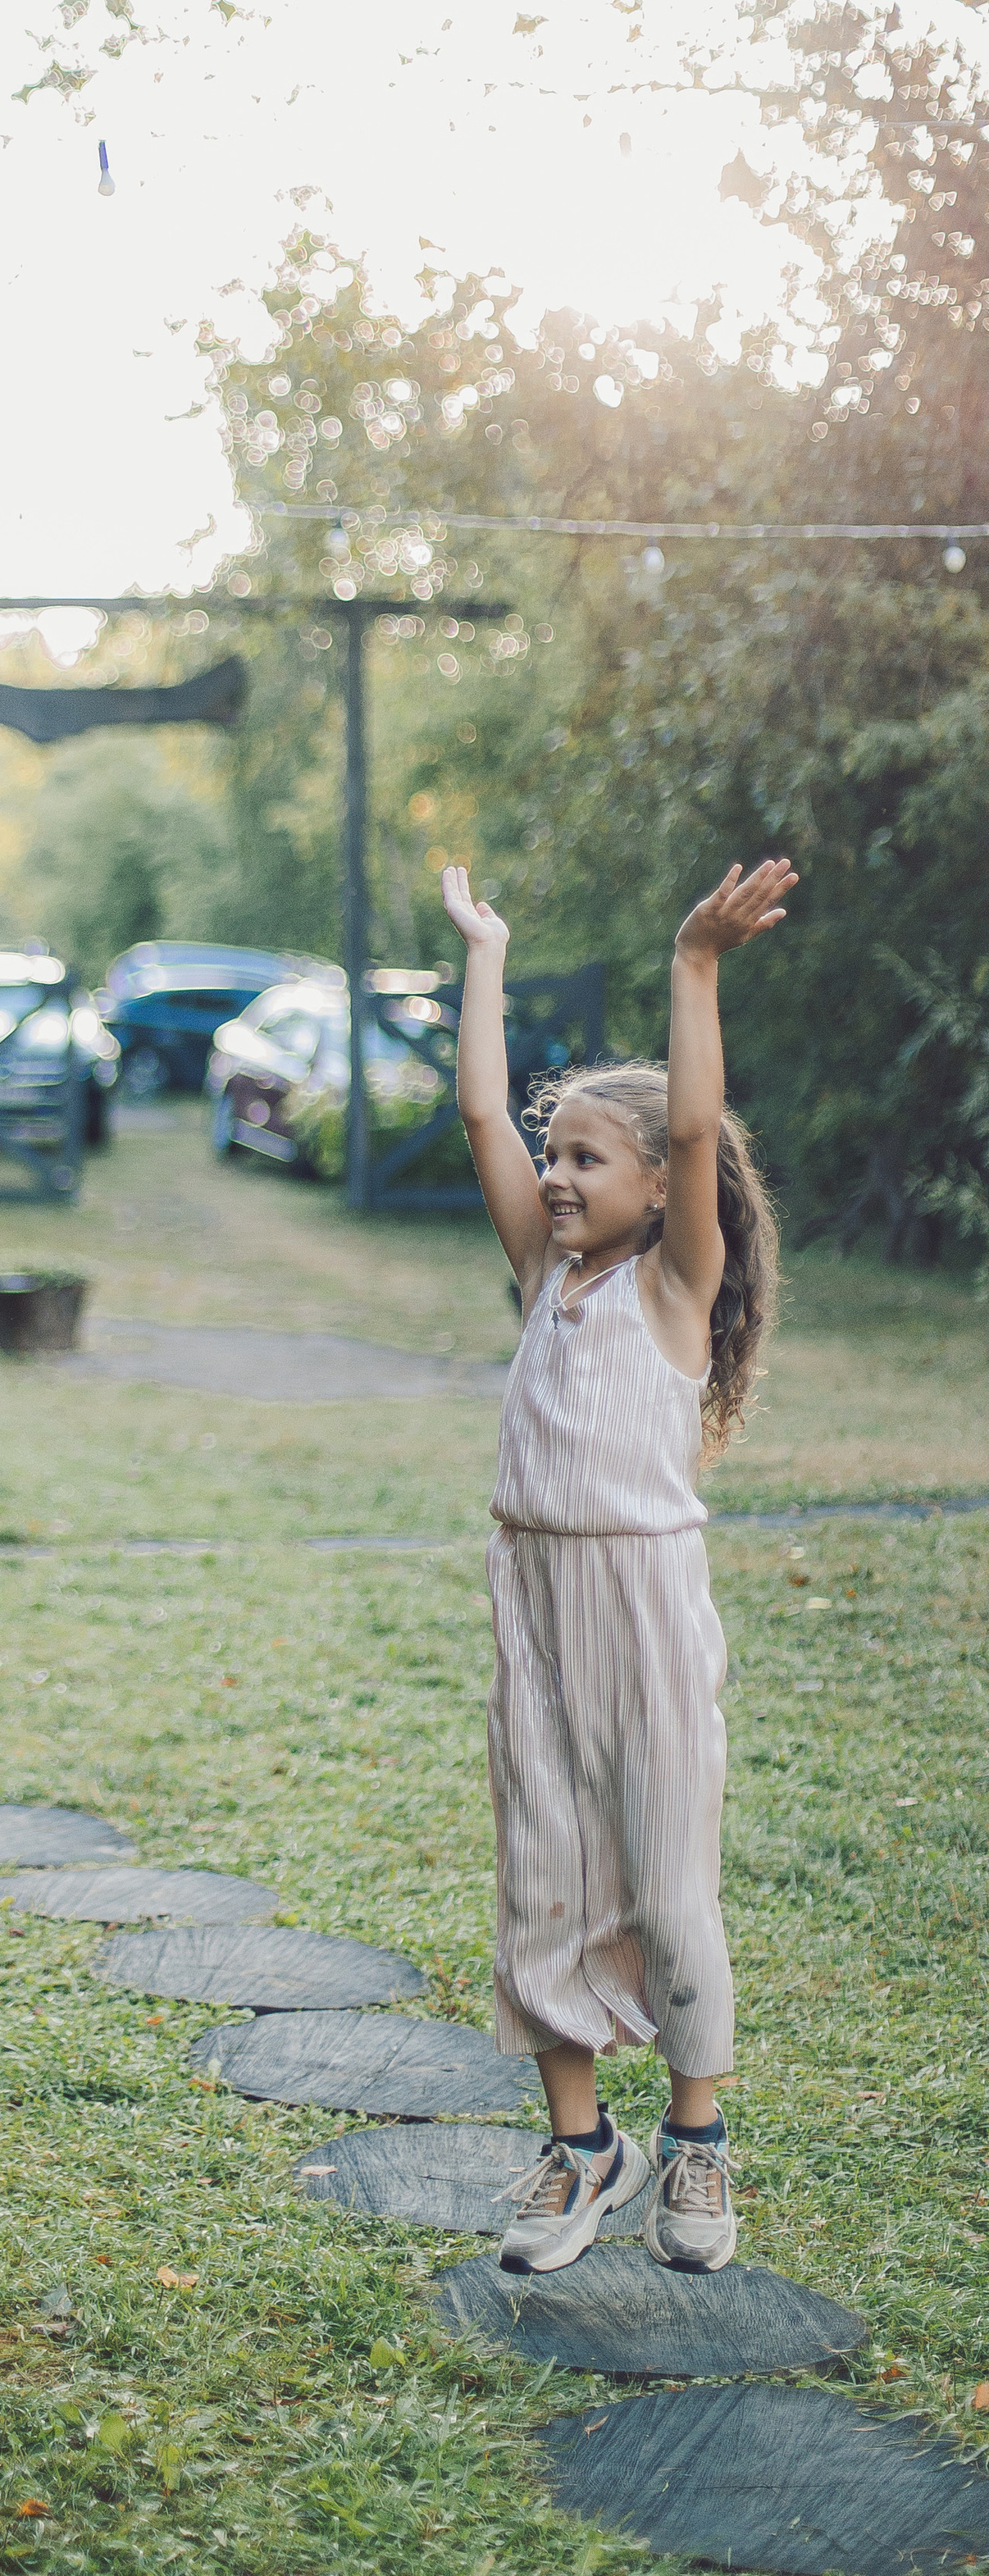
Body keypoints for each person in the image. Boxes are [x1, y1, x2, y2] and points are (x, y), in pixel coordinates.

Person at [442, 854, 792, 2280]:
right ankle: (584, 2150)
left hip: (642, 1604)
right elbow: (478, 1107)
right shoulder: (548, 1278)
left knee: (664, 1878)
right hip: (532, 1600)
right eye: (555, 1154)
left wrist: (694, 967)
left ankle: (695, 2146)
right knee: (545, 1877)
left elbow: (700, 1123)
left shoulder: (669, 1287)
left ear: (658, 1192)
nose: (554, 1174)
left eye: (587, 1158)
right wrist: (485, 950)